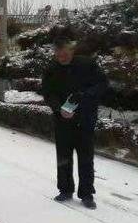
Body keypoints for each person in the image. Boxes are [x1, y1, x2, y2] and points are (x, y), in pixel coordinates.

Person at [42, 37, 109, 209]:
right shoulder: (51, 69)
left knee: (86, 158)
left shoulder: (87, 65)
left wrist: (85, 95)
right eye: (57, 54)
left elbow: (102, 84)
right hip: (62, 120)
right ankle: (65, 189)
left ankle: (86, 194)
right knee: (63, 156)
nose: (61, 57)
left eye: (64, 53)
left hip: (85, 119)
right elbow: (48, 94)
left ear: (71, 50)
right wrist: (59, 109)